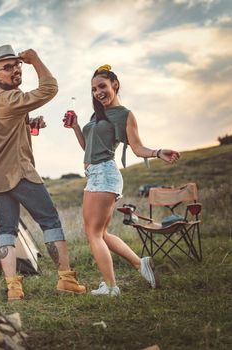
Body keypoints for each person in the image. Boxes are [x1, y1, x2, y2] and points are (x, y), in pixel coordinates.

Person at [66, 64, 181, 296]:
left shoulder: (124, 114)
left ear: (114, 85)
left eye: (102, 86)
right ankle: (140, 264)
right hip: (95, 175)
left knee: (94, 235)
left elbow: (137, 147)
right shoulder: (97, 115)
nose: (98, 92)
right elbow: (88, 148)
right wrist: (77, 127)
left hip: (105, 175)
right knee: (101, 233)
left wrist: (157, 152)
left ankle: (111, 287)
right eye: (94, 89)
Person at [0, 44, 86, 301]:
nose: (15, 69)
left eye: (17, 64)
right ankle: (66, 279)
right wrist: (36, 60)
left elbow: (5, 127)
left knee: (6, 229)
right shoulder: (9, 98)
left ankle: (13, 288)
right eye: (7, 67)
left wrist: (29, 123)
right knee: (50, 220)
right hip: (20, 173)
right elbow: (49, 88)